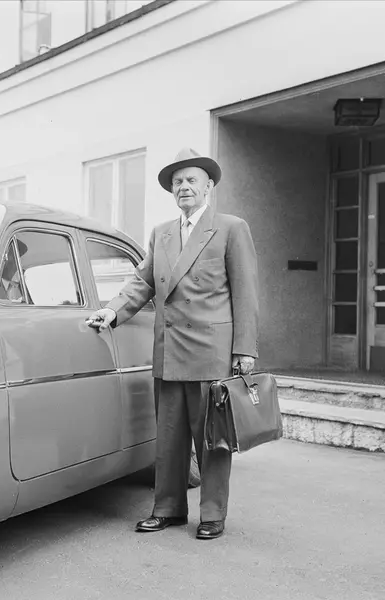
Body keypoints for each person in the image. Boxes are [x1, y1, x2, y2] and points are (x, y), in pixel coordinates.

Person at [87, 147, 259, 540]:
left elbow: (246, 292)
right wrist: (112, 311)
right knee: (168, 437)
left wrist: (245, 350)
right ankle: (168, 509)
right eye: (177, 182)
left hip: (211, 352)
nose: (184, 187)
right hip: (168, 350)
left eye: (191, 180)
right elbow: (142, 282)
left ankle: (212, 514)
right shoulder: (161, 232)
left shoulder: (231, 228)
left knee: (211, 439)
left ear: (208, 186)